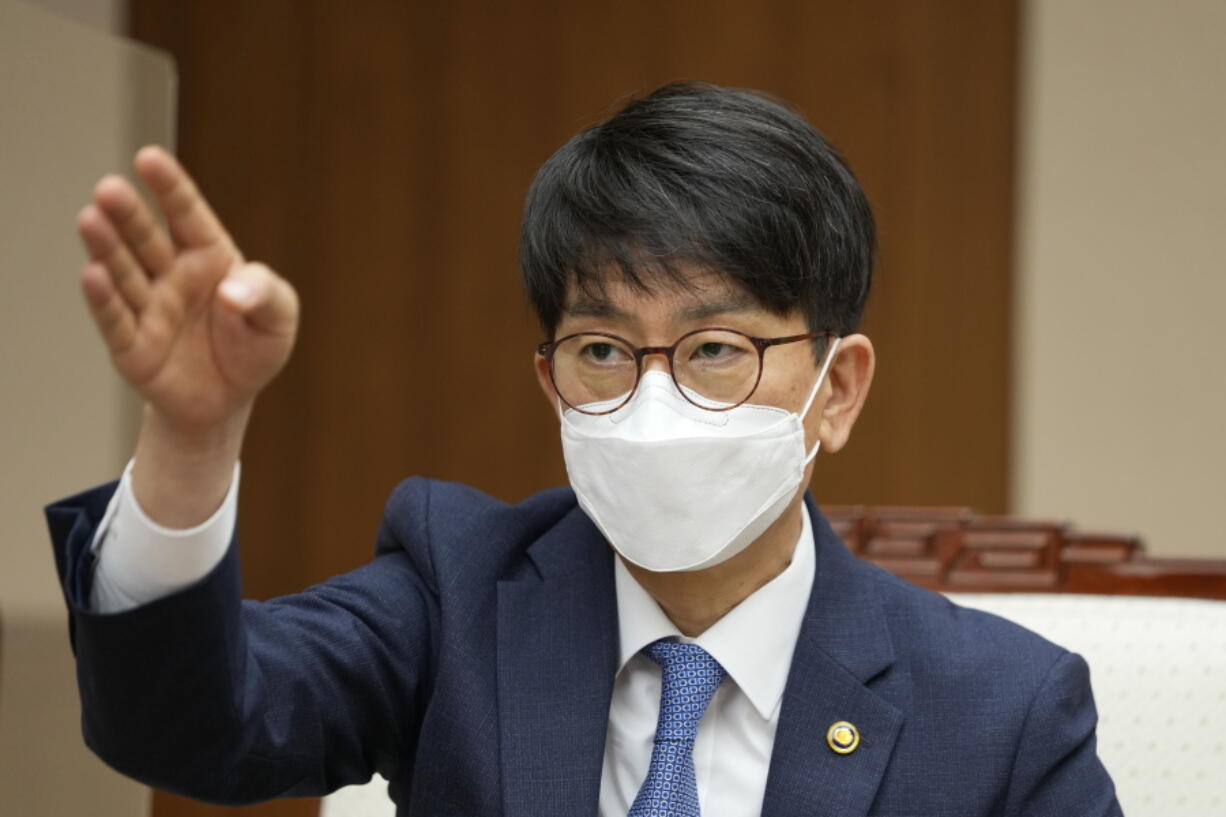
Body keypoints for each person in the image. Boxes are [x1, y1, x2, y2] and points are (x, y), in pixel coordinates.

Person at [47, 82, 1121, 816]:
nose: (653, 398)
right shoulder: (451, 589)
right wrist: (193, 435)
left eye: (714, 349)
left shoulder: (1001, 712)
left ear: (834, 389)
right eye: (602, 348)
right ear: (550, 380)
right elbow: (185, 727)